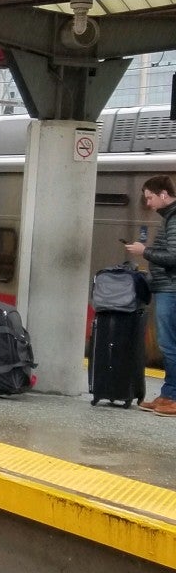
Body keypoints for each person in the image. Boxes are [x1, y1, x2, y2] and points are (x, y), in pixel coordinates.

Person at [124, 174, 176, 415]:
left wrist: (144, 251)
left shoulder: (174, 219)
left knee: (169, 344)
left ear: (163, 195)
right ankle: (168, 394)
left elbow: (174, 256)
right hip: (167, 288)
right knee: (168, 344)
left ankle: (173, 397)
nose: (148, 204)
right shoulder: (169, 218)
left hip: (171, 289)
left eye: (150, 197)